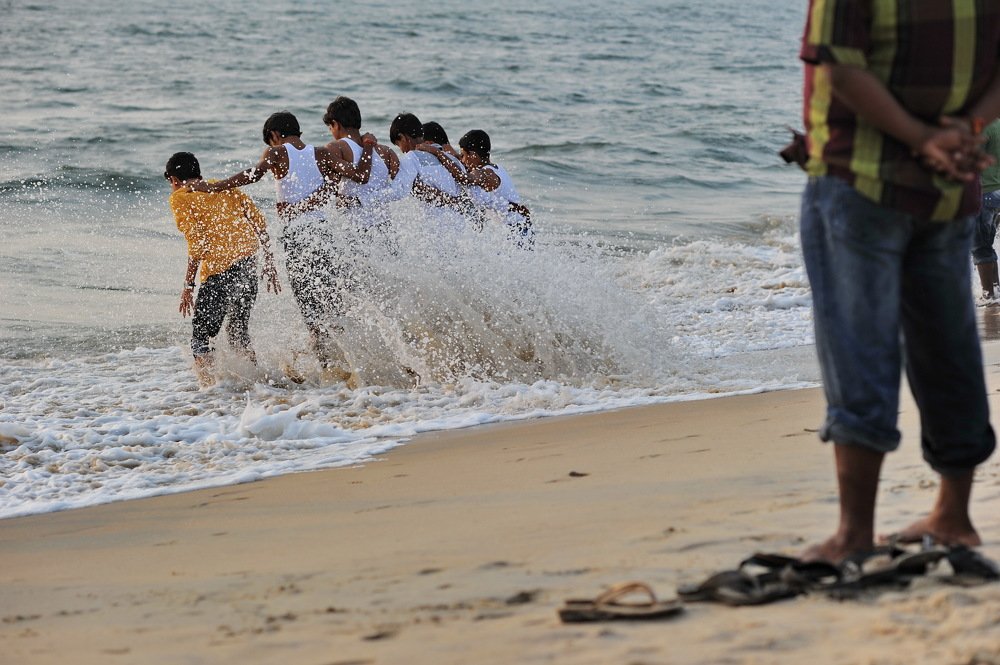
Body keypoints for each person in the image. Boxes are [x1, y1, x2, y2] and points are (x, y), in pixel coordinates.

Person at [795, 0, 1000, 564]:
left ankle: (854, 533)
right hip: (951, 183)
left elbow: (839, 62)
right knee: (947, 344)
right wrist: (966, 127)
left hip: (861, 177)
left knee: (857, 344)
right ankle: (954, 516)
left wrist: (917, 134)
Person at [188, 111, 373, 376]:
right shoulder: (321, 153)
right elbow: (348, 178)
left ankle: (329, 369)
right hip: (322, 233)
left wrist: (215, 187)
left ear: (274, 135)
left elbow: (253, 175)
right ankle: (351, 362)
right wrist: (367, 147)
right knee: (329, 302)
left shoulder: (277, 153)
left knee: (309, 307)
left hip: (298, 238)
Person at [164, 151, 280, 386]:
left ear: (174, 180)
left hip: (219, 273)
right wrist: (269, 261)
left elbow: (197, 242)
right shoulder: (222, 187)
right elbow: (258, 221)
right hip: (248, 265)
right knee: (238, 333)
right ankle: (258, 383)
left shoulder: (180, 198)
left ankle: (210, 390)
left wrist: (188, 284)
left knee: (200, 339)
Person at [420, 128, 533, 247]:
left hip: (516, 231)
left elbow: (463, 178)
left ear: (473, 155)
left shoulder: (486, 174)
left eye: (463, 155)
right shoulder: (492, 168)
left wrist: (437, 153)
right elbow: (458, 159)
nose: (461, 160)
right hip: (518, 227)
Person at [322, 96, 398, 232]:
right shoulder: (385, 151)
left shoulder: (336, 147)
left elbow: (329, 190)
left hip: (355, 229)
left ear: (336, 124)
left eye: (330, 127)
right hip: (384, 227)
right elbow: (400, 187)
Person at [972, 120, 1000, 301]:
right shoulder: (997, 122)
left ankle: (988, 294)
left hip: (984, 190)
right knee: (987, 243)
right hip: (995, 189)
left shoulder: (985, 125)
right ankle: (995, 289)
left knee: (979, 246)